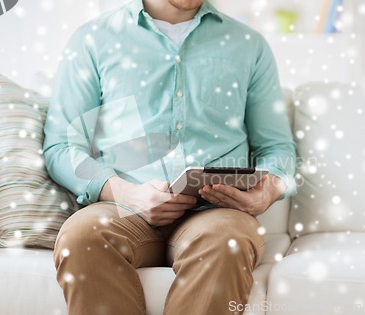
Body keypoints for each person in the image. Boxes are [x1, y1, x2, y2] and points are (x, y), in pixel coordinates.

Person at [43, 0, 296, 314]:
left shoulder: (248, 44)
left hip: (217, 212)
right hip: (122, 205)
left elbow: (277, 148)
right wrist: (127, 193)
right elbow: (61, 148)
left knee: (226, 241)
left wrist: (269, 190)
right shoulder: (92, 39)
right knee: (81, 237)